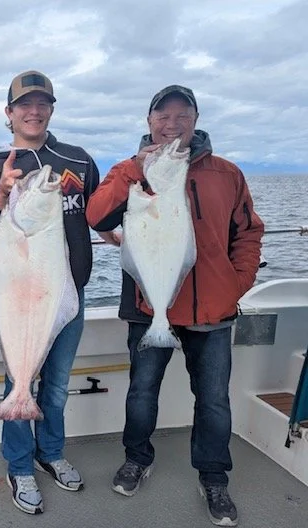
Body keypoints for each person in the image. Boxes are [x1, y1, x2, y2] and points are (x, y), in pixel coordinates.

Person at [85, 84, 264, 527]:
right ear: (149, 122)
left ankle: (214, 478)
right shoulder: (129, 171)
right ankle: (136, 459)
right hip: (151, 305)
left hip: (212, 310)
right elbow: (96, 216)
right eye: (162, 116)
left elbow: (248, 232)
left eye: (182, 115)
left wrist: (237, 283)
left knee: (214, 401)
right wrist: (133, 169)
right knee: (142, 391)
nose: (172, 124)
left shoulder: (226, 173)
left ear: (196, 119)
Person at [0, 70, 100, 515]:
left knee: (59, 386)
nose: (33, 110)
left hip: (65, 296)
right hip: (17, 296)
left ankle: (51, 451)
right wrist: (3, 195)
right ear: (9, 114)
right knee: (18, 379)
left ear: (51, 109)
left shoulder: (78, 160)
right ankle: (20, 464)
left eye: (42, 103)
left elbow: (96, 212)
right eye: (24, 104)